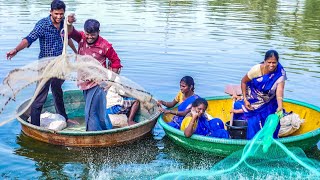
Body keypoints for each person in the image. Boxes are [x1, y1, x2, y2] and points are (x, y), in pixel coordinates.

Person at [6, 0, 77, 126]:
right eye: (56, 14)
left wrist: (76, 52)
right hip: (45, 66)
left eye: (61, 14)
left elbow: (67, 38)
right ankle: (35, 125)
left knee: (57, 90)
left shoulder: (64, 23)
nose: (59, 17)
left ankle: (64, 118)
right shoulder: (43, 24)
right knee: (40, 97)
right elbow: (29, 38)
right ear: (50, 12)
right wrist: (16, 50)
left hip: (60, 65)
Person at [67, 15, 122, 131]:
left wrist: (110, 82)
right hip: (84, 82)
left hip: (98, 83)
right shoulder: (81, 37)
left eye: (93, 35)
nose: (89, 37)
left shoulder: (105, 46)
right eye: (87, 34)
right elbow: (70, 32)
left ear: (98, 32)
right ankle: (106, 132)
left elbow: (116, 62)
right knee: (99, 111)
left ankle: (92, 136)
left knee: (91, 112)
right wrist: (69, 23)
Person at [232, 50, 287, 139]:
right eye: (269, 62)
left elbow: (279, 90)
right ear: (264, 61)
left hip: (270, 100)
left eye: (274, 62)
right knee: (253, 121)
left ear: (278, 62)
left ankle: (269, 141)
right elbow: (243, 81)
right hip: (254, 98)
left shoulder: (280, 73)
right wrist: (245, 100)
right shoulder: (256, 70)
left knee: (271, 121)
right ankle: (253, 140)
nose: (271, 65)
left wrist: (280, 105)